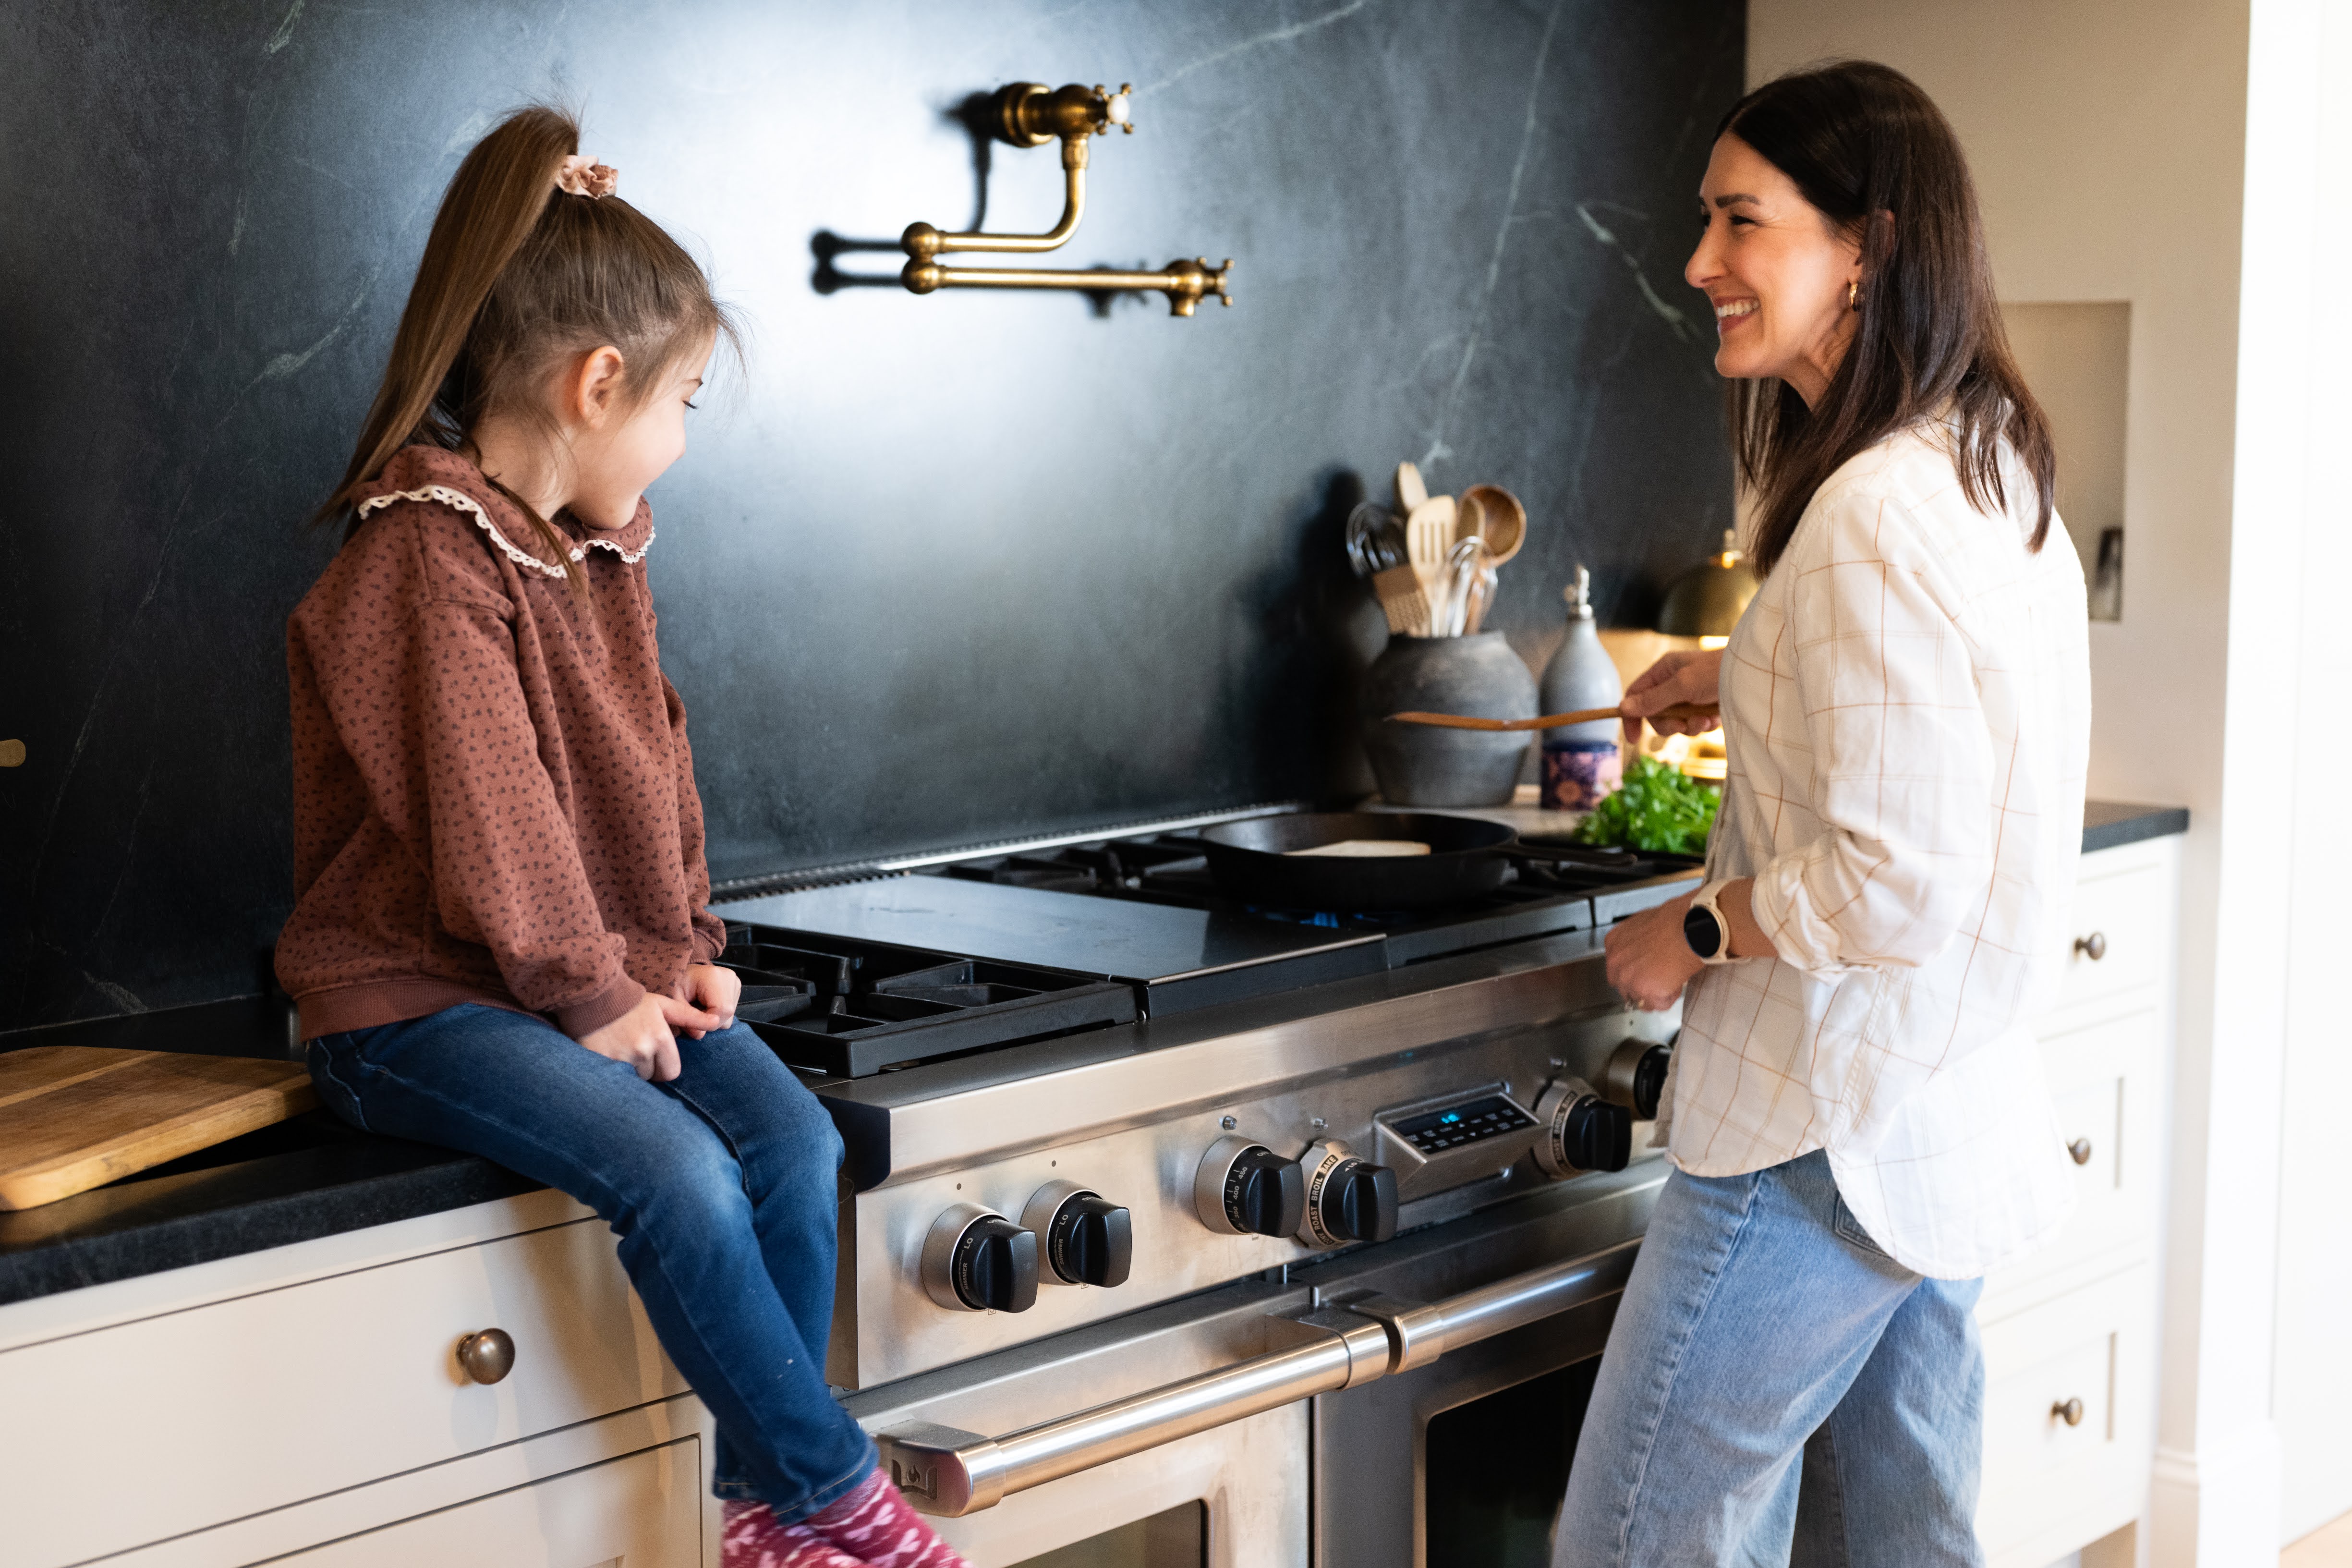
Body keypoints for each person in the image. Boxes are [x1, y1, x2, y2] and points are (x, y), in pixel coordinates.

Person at [275, 106, 967, 1568]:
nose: (681, 435)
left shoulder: (590, 547)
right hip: (408, 997)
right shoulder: (420, 552)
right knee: (680, 1171)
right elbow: (494, 811)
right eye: (686, 398)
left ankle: (760, 1517)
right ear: (600, 382)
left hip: (570, 973)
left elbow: (649, 765)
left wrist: (676, 956)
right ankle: (840, 1495)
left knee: (790, 1137)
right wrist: (593, 990)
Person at [1552, 62, 2090, 1568]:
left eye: (1742, 222)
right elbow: (1952, 717)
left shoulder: (1861, 511)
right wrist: (1750, 665)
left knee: (1636, 1543)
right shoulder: (1982, 461)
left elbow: (1895, 875)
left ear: (1865, 245)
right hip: (1940, 1105)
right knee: (1896, 1542)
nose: (1697, 263)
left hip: (1818, 1122)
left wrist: (1696, 926)